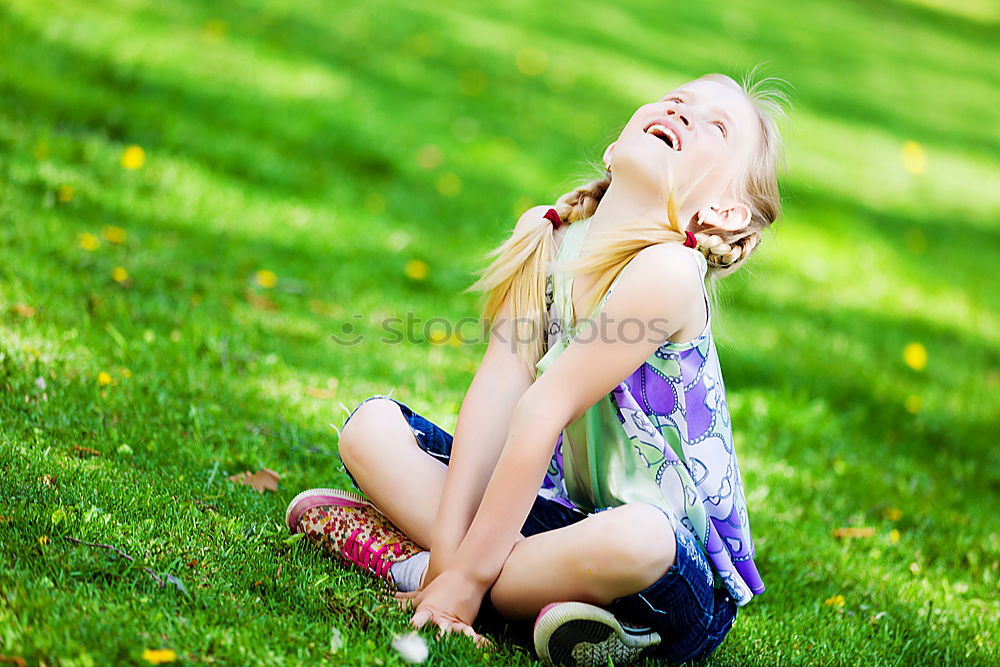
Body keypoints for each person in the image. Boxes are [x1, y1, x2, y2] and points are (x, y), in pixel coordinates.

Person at [286, 70, 789, 665]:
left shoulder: (670, 272)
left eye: (716, 126)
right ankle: (530, 602)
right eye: (677, 100)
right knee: (370, 429)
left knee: (638, 537)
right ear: (614, 148)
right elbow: (500, 392)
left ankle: (427, 570)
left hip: (667, 573)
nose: (682, 112)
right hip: (552, 517)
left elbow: (543, 407)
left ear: (725, 215)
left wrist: (462, 585)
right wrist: (455, 570)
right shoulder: (547, 233)